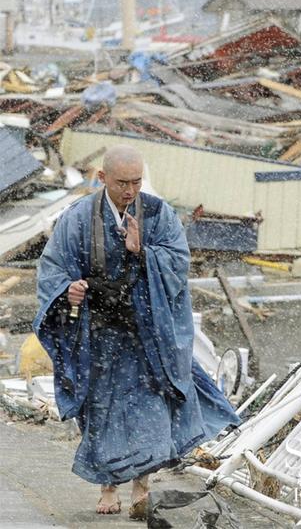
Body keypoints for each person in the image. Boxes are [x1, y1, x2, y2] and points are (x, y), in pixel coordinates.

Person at [33, 144, 241, 519]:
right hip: (99, 330)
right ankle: (108, 485)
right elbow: (53, 268)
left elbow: (178, 263)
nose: (130, 191)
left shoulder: (158, 214)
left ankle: (142, 487)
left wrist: (142, 249)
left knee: (151, 409)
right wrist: (69, 288)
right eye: (121, 183)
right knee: (102, 409)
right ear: (102, 178)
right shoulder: (78, 217)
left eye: (136, 182)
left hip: (147, 329)